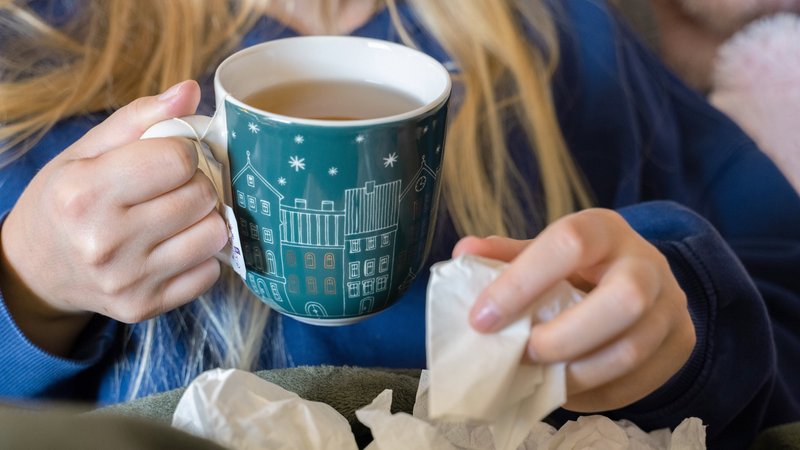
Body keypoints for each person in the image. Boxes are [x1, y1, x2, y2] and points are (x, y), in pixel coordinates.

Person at [0, 0, 798, 447]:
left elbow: (781, 274)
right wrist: (27, 280)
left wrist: (680, 327)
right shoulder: (40, 48)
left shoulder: (563, 40)